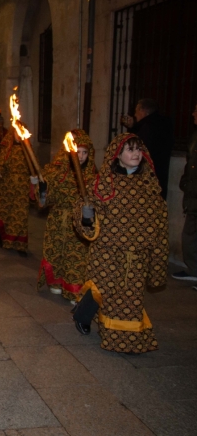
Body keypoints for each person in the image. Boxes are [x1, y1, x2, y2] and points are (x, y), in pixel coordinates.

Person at [72, 133, 168, 354]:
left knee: (130, 296)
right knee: (101, 289)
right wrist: (87, 216)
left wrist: (156, 258)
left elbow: (161, 221)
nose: (135, 154)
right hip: (107, 251)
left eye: (138, 150)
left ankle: (124, 336)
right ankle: (83, 316)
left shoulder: (150, 184)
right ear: (117, 156)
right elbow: (86, 212)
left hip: (137, 255)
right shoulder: (103, 182)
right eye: (130, 150)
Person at [37, 129, 96, 303]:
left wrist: (89, 210)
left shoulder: (93, 177)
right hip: (58, 220)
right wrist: (41, 188)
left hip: (79, 224)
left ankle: (74, 289)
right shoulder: (59, 173)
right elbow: (48, 198)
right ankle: (56, 282)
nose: (81, 156)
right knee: (57, 253)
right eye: (78, 152)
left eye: (85, 153)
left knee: (76, 257)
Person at [0, 127, 36, 257]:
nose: (19, 135)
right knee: (6, 213)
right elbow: (0, 164)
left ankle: (20, 245)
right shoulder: (7, 148)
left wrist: (34, 178)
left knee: (21, 215)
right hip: (7, 185)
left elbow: (34, 165)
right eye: (17, 132)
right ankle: (4, 239)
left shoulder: (28, 149)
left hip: (22, 187)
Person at [122, 98, 174, 198]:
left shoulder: (147, 127)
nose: (135, 115)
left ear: (143, 111)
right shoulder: (164, 124)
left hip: (146, 177)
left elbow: (139, 148)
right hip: (160, 173)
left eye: (136, 111)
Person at [173, 103, 197, 284]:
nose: (193, 113)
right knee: (190, 233)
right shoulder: (194, 136)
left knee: (190, 233)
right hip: (193, 194)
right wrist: (186, 181)